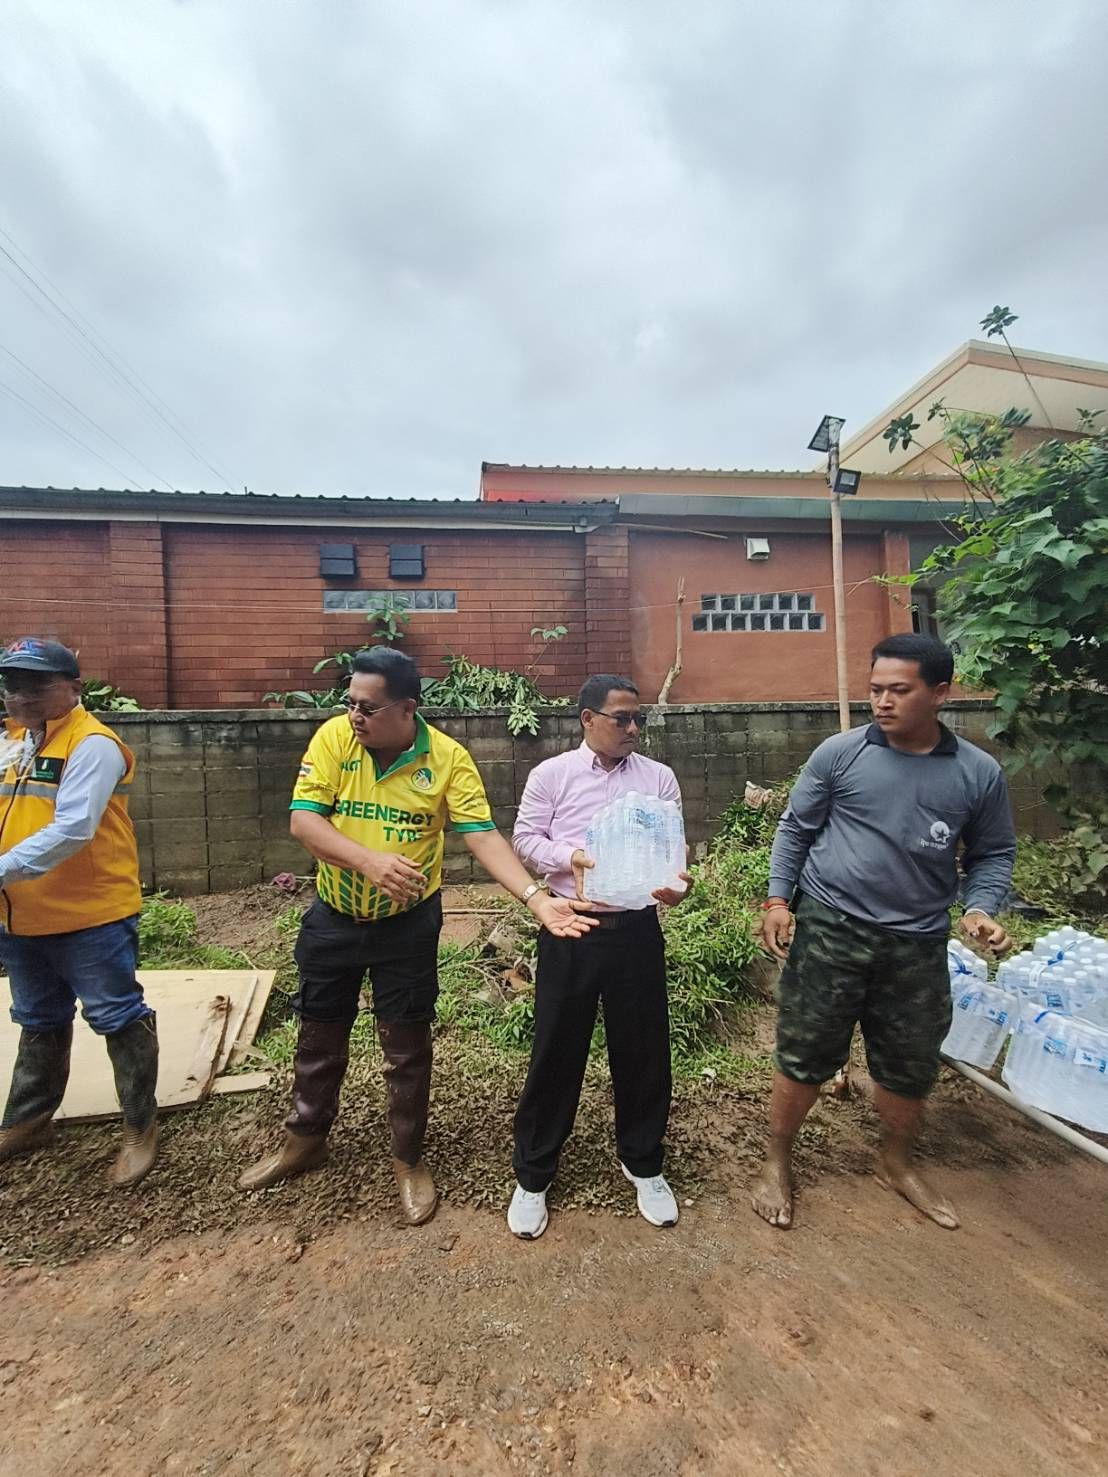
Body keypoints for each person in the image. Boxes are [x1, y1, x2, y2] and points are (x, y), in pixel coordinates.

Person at [238, 646, 595, 1224]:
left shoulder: (448, 759)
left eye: (368, 707)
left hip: (407, 926)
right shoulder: (334, 739)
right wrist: (369, 862)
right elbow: (304, 821)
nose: (354, 715)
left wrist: (535, 899)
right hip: (334, 917)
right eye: (350, 703)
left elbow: (482, 835)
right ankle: (304, 1139)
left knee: (405, 1047)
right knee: (318, 1035)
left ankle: (407, 1158)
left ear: (407, 708)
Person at [751, 633, 1016, 1232]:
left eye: (899, 690)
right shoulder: (840, 755)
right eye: (875, 689)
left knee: (909, 1061)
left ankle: (895, 1163)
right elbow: (796, 829)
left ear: (940, 693)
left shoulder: (977, 773)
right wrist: (777, 900)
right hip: (832, 928)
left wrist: (979, 908)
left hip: (917, 942)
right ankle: (776, 1160)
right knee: (804, 1050)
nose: (882, 702)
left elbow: (993, 853)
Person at [507, 674, 691, 1239]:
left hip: (636, 930)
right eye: (621, 718)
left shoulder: (657, 778)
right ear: (588, 719)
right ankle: (533, 1174)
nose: (633, 728)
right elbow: (524, 839)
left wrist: (678, 884)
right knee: (556, 1052)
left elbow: (674, 848)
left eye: (638, 719)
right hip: (571, 928)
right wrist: (572, 857)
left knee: (643, 1051)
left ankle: (644, 1163)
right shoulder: (553, 775)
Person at [0, 638, 159, 1187]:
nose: (20, 695)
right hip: (21, 914)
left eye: (35, 684)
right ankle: (29, 1121)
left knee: (116, 1015)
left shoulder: (92, 745)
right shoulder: (12, 741)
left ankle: (139, 1128)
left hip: (89, 914)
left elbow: (72, 829)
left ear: (73, 687)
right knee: (37, 1016)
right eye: (12, 684)